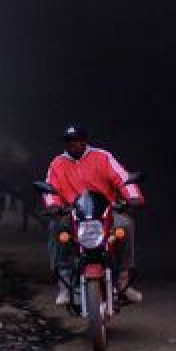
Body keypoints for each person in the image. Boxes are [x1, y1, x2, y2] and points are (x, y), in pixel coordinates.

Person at [43, 124, 144, 305]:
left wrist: (133, 197)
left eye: (77, 140)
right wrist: (53, 206)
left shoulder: (102, 157)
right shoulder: (57, 164)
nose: (73, 144)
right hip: (73, 214)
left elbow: (122, 178)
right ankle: (64, 286)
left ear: (85, 141)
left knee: (125, 225)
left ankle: (123, 282)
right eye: (69, 141)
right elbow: (50, 189)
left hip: (106, 212)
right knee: (56, 227)